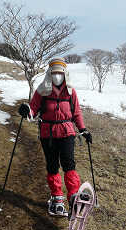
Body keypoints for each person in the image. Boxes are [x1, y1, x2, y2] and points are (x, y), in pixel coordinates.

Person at [18, 57, 92, 217]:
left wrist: (84, 130)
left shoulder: (71, 92)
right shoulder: (42, 90)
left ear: (65, 73)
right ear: (49, 73)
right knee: (52, 166)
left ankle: (73, 197)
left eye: (60, 72)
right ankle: (57, 199)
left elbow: (76, 113)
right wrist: (26, 111)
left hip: (67, 133)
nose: (57, 75)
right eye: (54, 72)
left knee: (69, 164)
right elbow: (33, 111)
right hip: (48, 134)